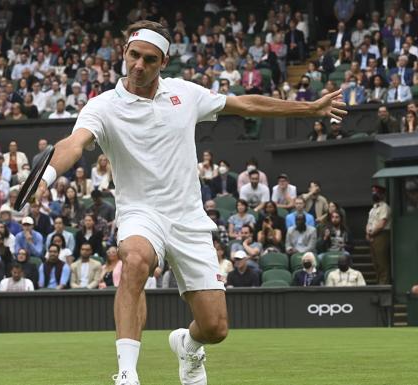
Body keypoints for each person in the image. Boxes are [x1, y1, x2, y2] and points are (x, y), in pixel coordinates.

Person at [36, 20, 346, 385]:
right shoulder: (102, 107)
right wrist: (46, 178)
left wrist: (308, 109)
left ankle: (188, 345)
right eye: (133, 55)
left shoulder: (186, 94)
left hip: (188, 219)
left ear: (163, 61)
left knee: (215, 327)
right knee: (133, 260)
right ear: (124, 53)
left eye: (149, 59)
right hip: (140, 214)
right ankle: (126, 372)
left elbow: (245, 103)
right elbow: (74, 143)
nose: (138, 65)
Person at [367, 185, 391, 285]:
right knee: (375, 263)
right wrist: (367, 234)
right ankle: (378, 283)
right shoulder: (373, 209)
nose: (374, 194)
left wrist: (371, 233)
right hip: (372, 237)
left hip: (381, 236)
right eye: (373, 191)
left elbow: (382, 224)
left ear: (382, 194)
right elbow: (368, 223)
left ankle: (383, 285)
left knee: (382, 263)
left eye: (376, 192)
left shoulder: (384, 207)